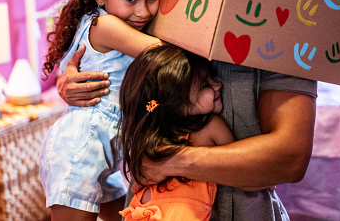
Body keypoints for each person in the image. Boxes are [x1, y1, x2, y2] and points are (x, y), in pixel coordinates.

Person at [55, 47, 317, 220]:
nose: (218, 84)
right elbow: (138, 182)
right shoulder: (154, 130)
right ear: (177, 102)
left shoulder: (209, 126)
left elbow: (271, 171)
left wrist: (170, 162)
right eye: (205, 84)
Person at [39, 0, 168, 221]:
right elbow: (164, 54)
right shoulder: (106, 24)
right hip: (80, 148)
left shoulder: (108, 21)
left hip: (108, 147)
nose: (143, 11)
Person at [118, 45, 235, 220]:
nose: (217, 85)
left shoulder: (145, 140)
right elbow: (241, 170)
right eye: (205, 85)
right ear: (178, 106)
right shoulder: (210, 126)